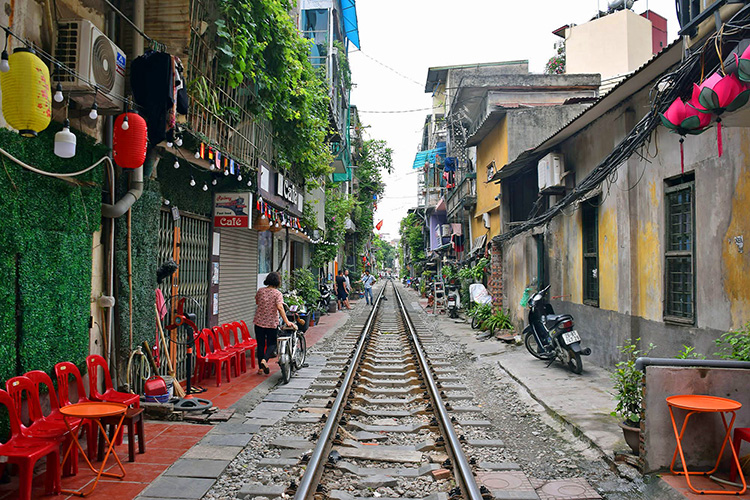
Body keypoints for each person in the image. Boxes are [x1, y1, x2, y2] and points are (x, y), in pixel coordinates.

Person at [253, 272, 294, 375]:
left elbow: (257, 302)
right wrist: (287, 321)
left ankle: (260, 369)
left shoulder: (260, 291)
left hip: (259, 322)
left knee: (261, 344)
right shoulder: (277, 293)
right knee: (272, 344)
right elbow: (280, 307)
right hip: (271, 323)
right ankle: (264, 360)